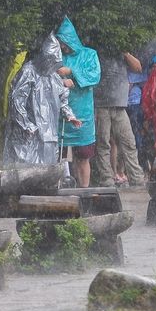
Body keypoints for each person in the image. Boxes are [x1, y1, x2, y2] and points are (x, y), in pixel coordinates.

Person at [3, 31, 81, 164]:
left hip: (49, 135)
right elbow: (17, 101)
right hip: (29, 134)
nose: (51, 65)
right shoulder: (28, 72)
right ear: (43, 57)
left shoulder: (53, 76)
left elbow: (62, 98)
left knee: (46, 171)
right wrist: (26, 125)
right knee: (26, 169)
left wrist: (70, 115)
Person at [54, 17, 101, 188]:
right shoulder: (56, 57)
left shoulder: (89, 55)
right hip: (60, 116)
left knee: (83, 156)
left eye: (63, 42)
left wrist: (72, 72)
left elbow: (94, 76)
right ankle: (58, 192)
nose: (62, 46)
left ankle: (84, 191)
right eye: (59, 43)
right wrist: (60, 80)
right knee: (58, 158)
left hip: (83, 114)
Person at [94, 49, 146, 187]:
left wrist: (125, 53)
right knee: (103, 143)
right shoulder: (97, 51)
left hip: (120, 105)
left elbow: (138, 68)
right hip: (101, 105)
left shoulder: (122, 51)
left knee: (128, 142)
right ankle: (106, 179)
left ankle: (136, 177)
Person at [128, 40, 156, 173]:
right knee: (144, 142)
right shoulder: (146, 77)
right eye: (154, 64)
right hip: (143, 112)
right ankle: (149, 168)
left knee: (155, 144)